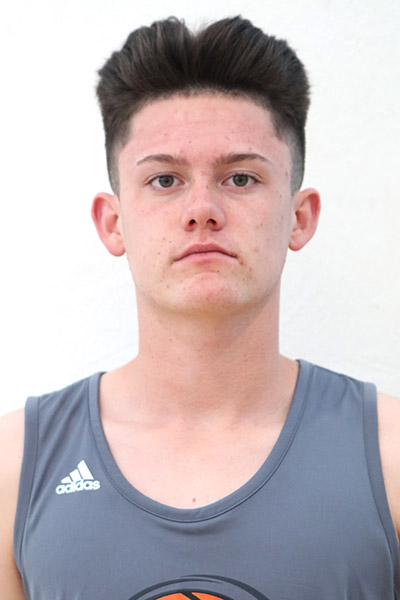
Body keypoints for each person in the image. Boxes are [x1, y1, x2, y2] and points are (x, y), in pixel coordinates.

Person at [0, 15, 399, 600]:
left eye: (241, 178)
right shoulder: (14, 467)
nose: (202, 209)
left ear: (299, 216)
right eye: (165, 180)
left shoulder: (391, 456)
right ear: (113, 223)